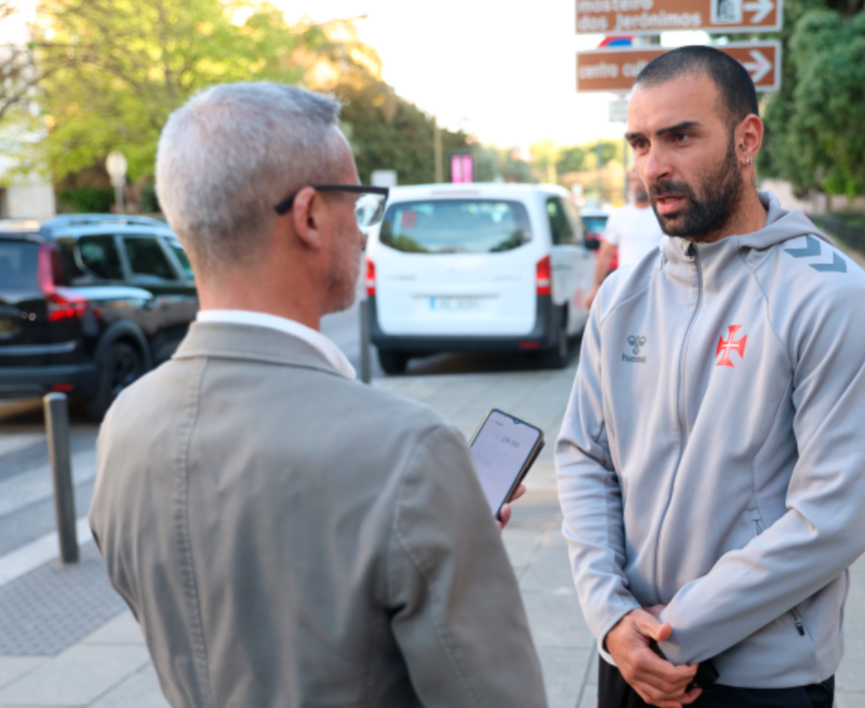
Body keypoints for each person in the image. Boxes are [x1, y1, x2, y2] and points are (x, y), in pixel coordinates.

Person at [88, 83, 546, 708]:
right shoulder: (410, 452)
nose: (363, 231)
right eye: (358, 205)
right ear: (308, 217)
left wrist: (439, 534)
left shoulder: (126, 423)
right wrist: (446, 531)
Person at [556, 46, 865, 708]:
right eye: (640, 143)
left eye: (680, 136)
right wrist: (611, 617)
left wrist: (673, 632)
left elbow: (833, 517)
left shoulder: (831, 297)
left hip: (760, 679)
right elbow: (584, 458)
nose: (653, 166)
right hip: (628, 658)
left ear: (746, 140)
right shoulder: (622, 296)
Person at [585, 171, 664, 308]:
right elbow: (605, 254)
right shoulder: (619, 215)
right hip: (627, 289)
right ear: (628, 185)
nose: (637, 184)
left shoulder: (663, 214)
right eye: (633, 180)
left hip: (660, 289)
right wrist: (595, 287)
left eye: (640, 179)